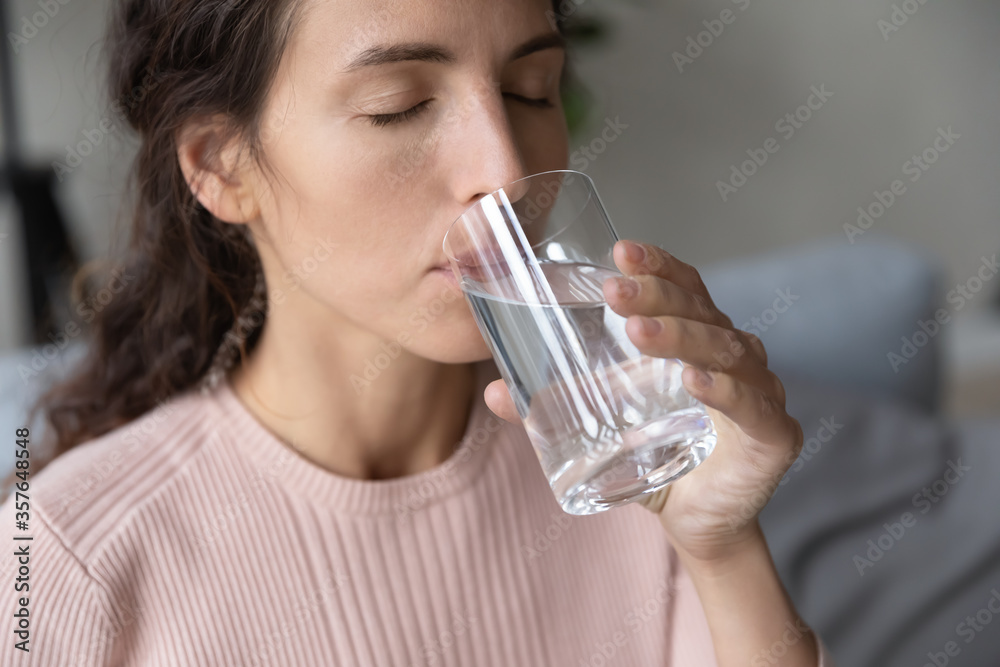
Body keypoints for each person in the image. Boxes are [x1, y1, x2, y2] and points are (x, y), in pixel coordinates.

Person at [0, 0, 837, 664]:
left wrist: (725, 551)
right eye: (398, 107)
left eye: (530, 91)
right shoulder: (64, 561)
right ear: (221, 163)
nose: (506, 171)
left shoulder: (632, 465)